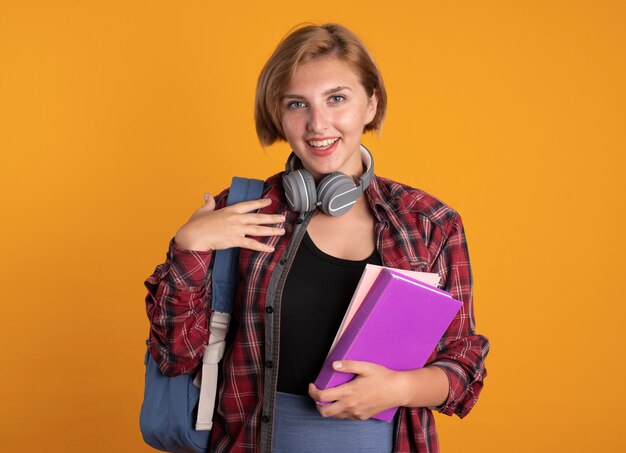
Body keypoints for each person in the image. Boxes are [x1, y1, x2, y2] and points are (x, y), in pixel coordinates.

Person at [145, 23, 489, 453]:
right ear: (278, 114)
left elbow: (463, 361)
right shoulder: (241, 212)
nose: (317, 124)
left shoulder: (429, 223)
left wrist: (400, 389)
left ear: (371, 104)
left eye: (337, 98)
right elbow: (176, 356)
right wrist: (188, 250)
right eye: (297, 104)